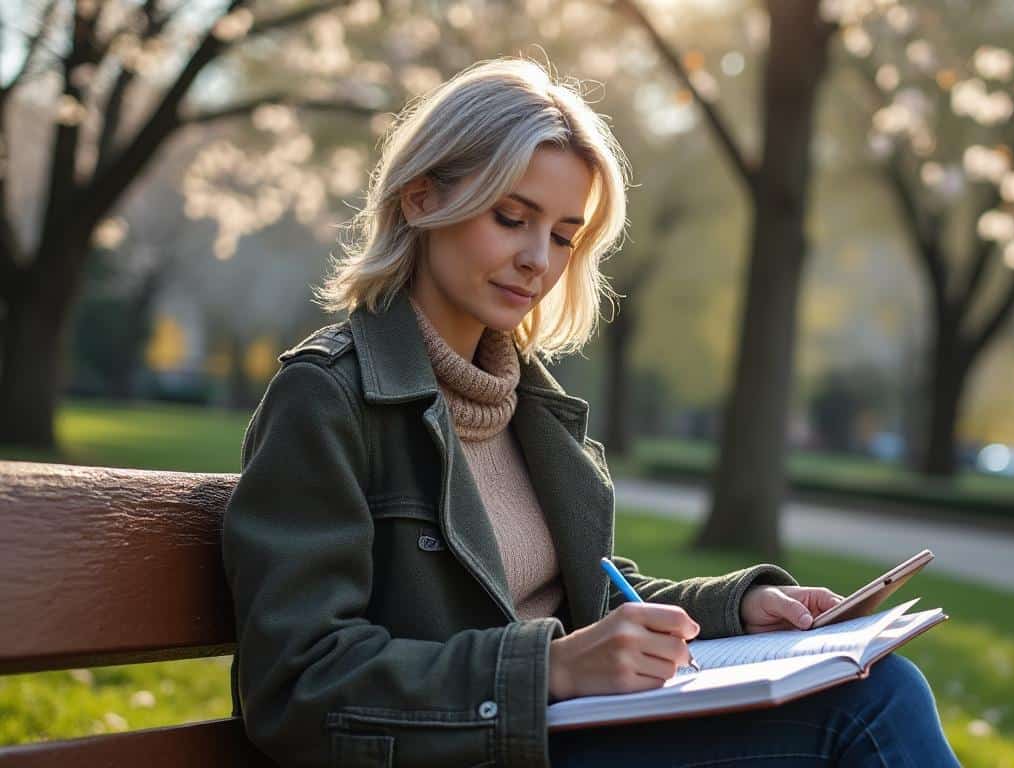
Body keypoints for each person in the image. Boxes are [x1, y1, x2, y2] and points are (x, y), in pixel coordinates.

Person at [222, 57, 960, 768]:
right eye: (512, 218)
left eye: (564, 237)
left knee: (872, 684)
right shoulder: (329, 397)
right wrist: (547, 668)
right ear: (420, 197)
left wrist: (740, 610)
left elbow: (594, 600)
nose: (538, 261)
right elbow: (297, 687)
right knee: (874, 707)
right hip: (480, 749)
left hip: (565, 736)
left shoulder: (526, 403)